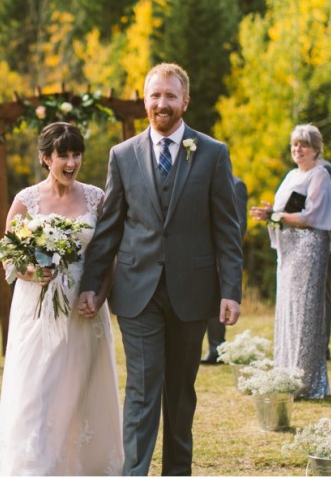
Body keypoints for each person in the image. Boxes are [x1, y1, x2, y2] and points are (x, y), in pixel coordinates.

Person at [78, 63, 243, 475]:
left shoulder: (213, 152)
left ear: (185, 101)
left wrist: (231, 290)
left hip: (194, 291)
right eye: (155, 95)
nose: (162, 103)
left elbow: (227, 228)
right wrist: (90, 286)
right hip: (137, 291)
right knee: (142, 390)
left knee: (181, 394)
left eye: (170, 96)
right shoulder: (123, 154)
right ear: (144, 101)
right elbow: (109, 229)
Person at [0, 123, 123, 475]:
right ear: (46, 158)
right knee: (37, 388)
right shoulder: (26, 200)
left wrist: (99, 294)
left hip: (84, 309)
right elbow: (7, 256)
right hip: (37, 310)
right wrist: (32, 272)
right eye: (63, 154)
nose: (71, 162)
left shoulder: (96, 198)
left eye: (76, 154)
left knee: (79, 389)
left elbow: (108, 255)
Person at [250, 124, 331, 400]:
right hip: (289, 251)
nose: (298, 149)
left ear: (316, 149)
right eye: (294, 145)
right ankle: (286, 371)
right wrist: (270, 212)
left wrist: (274, 217)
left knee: (305, 312)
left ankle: (306, 379)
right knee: (288, 310)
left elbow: (310, 216)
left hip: (308, 248)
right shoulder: (292, 175)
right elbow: (282, 211)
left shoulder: (320, 175)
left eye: (303, 144)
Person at [202, 174, 248, 364]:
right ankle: (214, 347)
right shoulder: (205, 181)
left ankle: (217, 347)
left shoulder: (236, 184)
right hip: (203, 253)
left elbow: (239, 224)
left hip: (220, 252)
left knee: (217, 299)